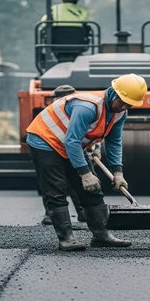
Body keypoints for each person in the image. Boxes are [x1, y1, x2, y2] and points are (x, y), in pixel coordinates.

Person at [25, 73, 146, 251]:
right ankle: (66, 238)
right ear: (113, 92)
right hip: (45, 141)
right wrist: (85, 173)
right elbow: (72, 141)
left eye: (130, 104)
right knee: (56, 189)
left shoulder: (119, 112)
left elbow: (114, 141)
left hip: (70, 143)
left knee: (92, 188)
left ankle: (101, 235)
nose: (125, 106)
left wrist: (118, 172)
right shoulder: (87, 107)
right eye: (123, 101)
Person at [40, 84, 88, 226]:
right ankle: (51, 213)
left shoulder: (80, 109)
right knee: (52, 183)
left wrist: (94, 148)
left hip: (74, 150)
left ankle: (82, 212)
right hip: (51, 149)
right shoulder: (50, 112)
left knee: (77, 180)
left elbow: (90, 129)